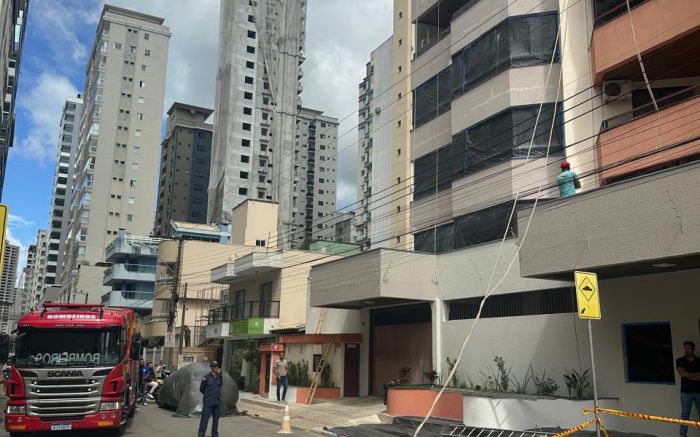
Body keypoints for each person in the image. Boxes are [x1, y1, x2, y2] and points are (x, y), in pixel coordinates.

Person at [677, 341, 700, 436]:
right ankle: (683, 435)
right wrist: (697, 374)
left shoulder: (698, 361)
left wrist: (688, 375)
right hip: (686, 392)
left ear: (693, 349)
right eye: (685, 348)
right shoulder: (680, 361)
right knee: (685, 415)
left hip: (699, 392)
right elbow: (683, 374)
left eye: (689, 348)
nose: (686, 350)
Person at [199, 361, 223, 437]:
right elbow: (202, 389)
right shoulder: (206, 377)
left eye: (217, 366)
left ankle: (215, 435)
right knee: (204, 421)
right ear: (211, 367)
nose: (216, 368)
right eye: (215, 366)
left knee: (216, 421)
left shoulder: (219, 377)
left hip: (216, 403)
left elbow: (220, 386)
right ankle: (201, 435)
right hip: (208, 403)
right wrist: (208, 396)